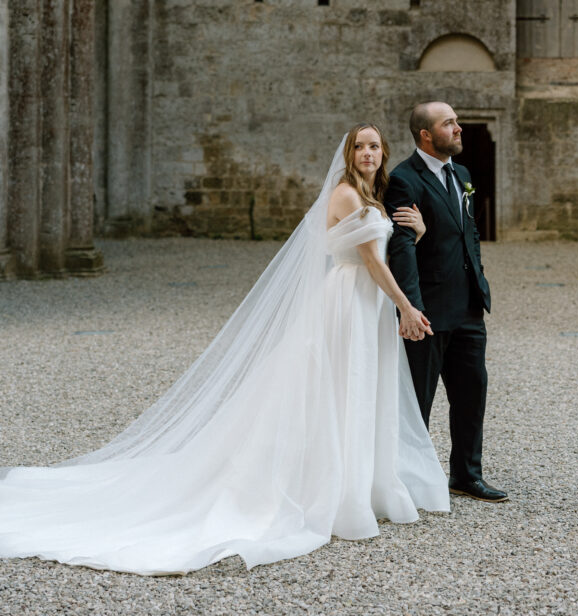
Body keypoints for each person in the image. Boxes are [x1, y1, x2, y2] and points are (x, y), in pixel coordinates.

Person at [0, 125, 449, 576]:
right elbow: (370, 260)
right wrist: (406, 307)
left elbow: (381, 254)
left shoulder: (373, 197)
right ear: (349, 154)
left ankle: (359, 482)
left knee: (357, 386)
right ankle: (334, 489)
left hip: (365, 301)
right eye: (359, 146)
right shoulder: (347, 196)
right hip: (350, 301)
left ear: (383, 152)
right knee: (340, 385)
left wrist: (420, 234)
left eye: (374, 146)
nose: (367, 152)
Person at [385, 102, 508, 503]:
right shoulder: (404, 179)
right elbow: (402, 249)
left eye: (456, 122)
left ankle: (467, 476)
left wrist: (480, 280)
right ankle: (406, 481)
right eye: (449, 124)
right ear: (425, 135)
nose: (458, 129)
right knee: (417, 401)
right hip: (429, 310)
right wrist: (411, 308)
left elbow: (468, 233)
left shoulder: (463, 174)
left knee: (472, 393)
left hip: (469, 307)